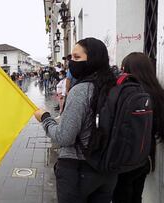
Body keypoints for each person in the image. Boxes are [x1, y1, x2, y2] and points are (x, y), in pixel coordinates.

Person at [34, 38, 118, 203]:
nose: (71, 62)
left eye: (77, 57)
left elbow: (65, 137)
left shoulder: (81, 90)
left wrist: (45, 118)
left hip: (78, 170)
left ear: (93, 59)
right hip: (107, 169)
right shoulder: (113, 86)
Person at [112, 52, 164, 203]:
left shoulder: (128, 95)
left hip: (125, 160)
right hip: (145, 158)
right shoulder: (158, 94)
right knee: (136, 197)